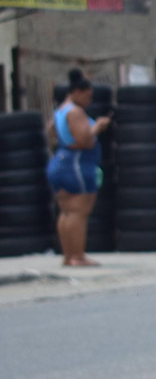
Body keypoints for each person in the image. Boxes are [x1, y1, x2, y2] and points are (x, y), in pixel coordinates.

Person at [45, 70, 110, 268]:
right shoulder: (75, 112)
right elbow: (85, 140)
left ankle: (68, 256)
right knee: (78, 212)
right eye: (87, 96)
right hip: (76, 165)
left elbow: (50, 131)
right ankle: (78, 256)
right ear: (77, 92)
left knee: (66, 211)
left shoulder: (60, 110)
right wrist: (98, 126)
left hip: (60, 162)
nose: (89, 101)